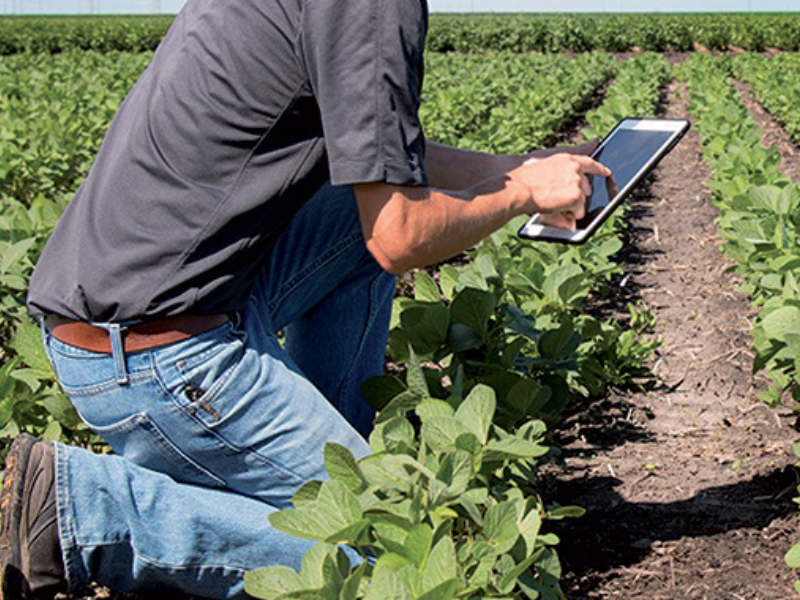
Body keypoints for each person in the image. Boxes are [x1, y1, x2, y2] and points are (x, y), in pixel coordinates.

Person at [0, 0, 610, 598]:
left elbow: (385, 172)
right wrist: (521, 194)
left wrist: (515, 167)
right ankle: (83, 509)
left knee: (358, 212)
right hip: (156, 353)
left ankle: (327, 456)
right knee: (399, 552)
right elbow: (400, 235)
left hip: (137, 305)